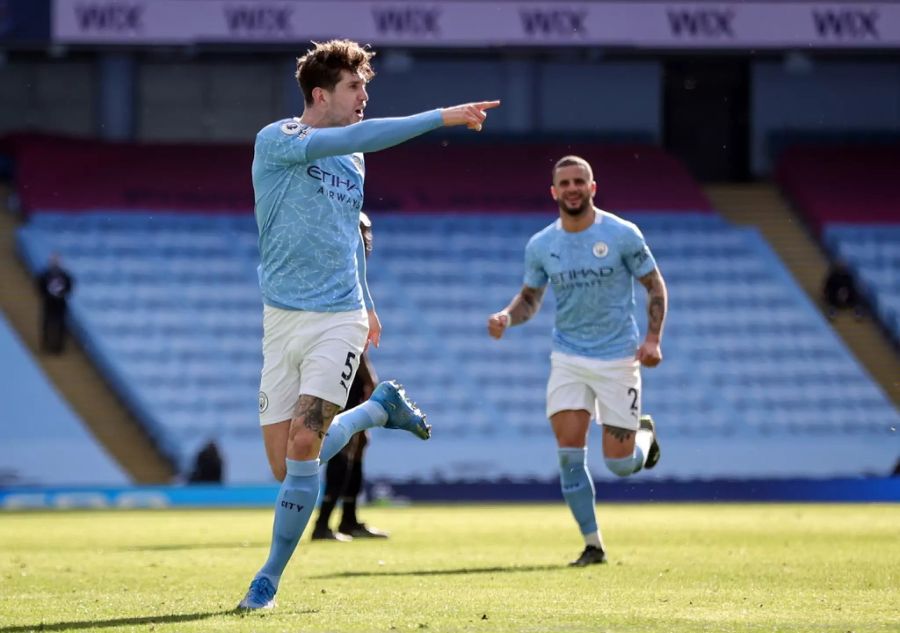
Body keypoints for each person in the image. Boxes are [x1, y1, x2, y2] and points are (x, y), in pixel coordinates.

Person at [238, 39, 500, 610]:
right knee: (286, 465)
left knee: (306, 442)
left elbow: (349, 233)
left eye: (366, 88)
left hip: (339, 314)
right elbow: (357, 136)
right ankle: (379, 408)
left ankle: (267, 581)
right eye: (355, 88)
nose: (364, 98)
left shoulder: (353, 159)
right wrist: (442, 116)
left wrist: (369, 304)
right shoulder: (278, 140)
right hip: (282, 319)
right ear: (320, 95)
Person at [487, 155, 668, 567]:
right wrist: (507, 317)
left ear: (592, 187)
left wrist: (653, 338)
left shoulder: (621, 234)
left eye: (578, 181)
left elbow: (654, 285)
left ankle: (645, 438)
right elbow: (531, 299)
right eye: (564, 183)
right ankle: (593, 545)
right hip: (568, 357)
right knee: (569, 454)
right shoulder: (542, 245)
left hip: (618, 358)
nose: (571, 188)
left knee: (619, 465)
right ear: (553, 192)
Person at [311, 212, 388, 541]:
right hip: (338, 365)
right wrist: (366, 374)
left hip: (348, 363)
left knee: (358, 441)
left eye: (368, 233)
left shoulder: (351, 275)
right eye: (361, 233)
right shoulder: (339, 275)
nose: (366, 240)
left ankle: (348, 518)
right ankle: (324, 523)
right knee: (344, 442)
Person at [36, 253, 74, 354]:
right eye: (53, 260)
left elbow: (69, 286)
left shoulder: (65, 275)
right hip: (49, 303)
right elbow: (40, 286)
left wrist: (61, 295)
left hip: (61, 303)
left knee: (61, 324)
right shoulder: (45, 275)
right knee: (47, 323)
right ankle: (46, 345)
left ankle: (59, 347)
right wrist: (47, 295)